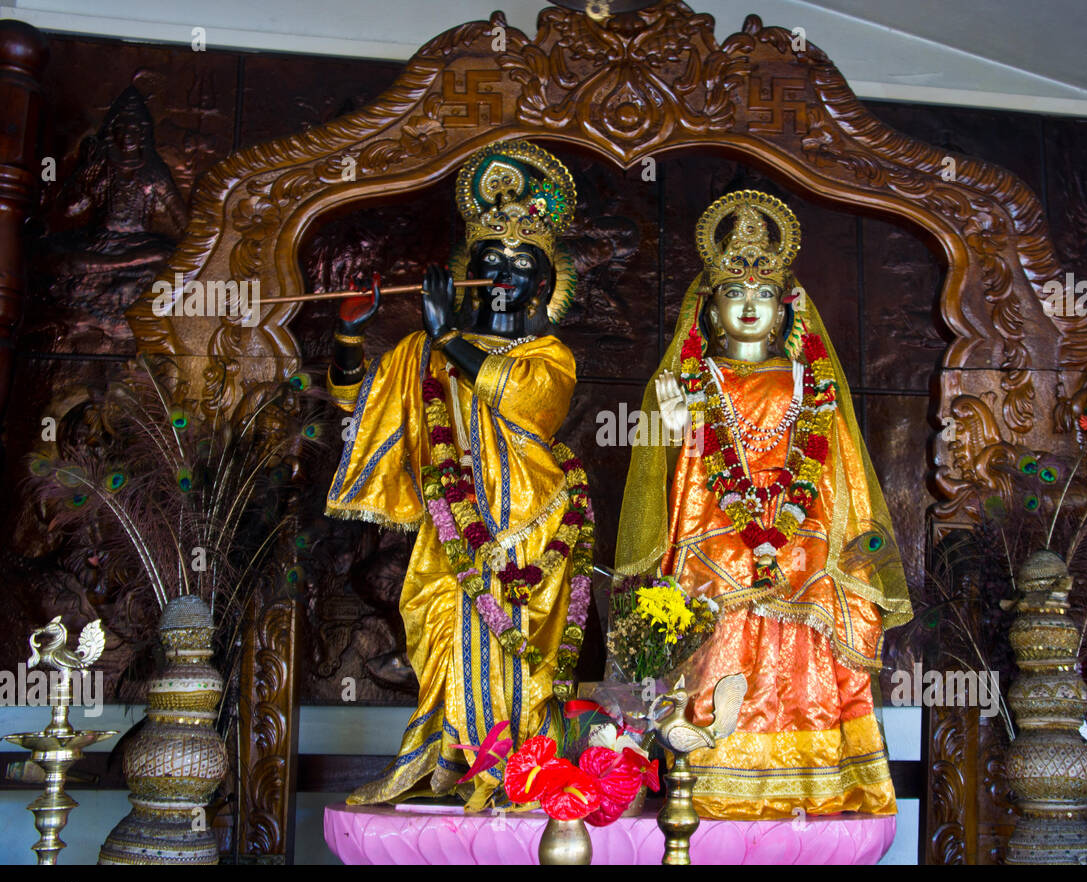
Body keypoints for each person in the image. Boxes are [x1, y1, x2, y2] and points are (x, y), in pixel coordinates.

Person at [616, 190, 913, 819]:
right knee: (713, 655)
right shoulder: (693, 382)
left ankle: (812, 785)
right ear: (712, 312)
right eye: (734, 294)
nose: (749, 306)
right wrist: (669, 432)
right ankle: (708, 789)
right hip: (714, 544)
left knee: (807, 663)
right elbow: (677, 479)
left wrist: (838, 554)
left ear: (783, 311)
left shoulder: (813, 384)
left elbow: (842, 477)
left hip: (806, 548)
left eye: (762, 295)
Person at [325, 141, 593, 808]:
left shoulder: (548, 354)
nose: (502, 274)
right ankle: (447, 762)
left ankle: (527, 771)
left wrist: (451, 339)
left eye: (520, 264)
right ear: (465, 271)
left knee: (523, 650)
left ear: (543, 283)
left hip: (533, 525)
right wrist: (352, 336)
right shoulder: (425, 349)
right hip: (451, 530)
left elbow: (526, 401)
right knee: (442, 630)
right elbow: (358, 406)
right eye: (489, 262)